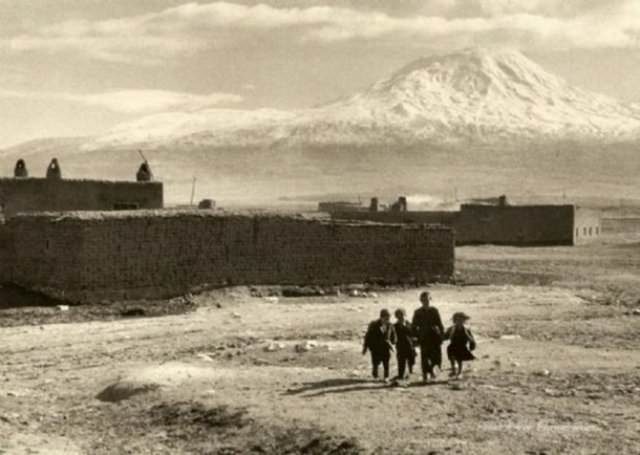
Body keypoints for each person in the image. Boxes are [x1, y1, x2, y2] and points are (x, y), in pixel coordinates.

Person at [412, 291, 444, 383]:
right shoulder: (418, 312)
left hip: (434, 337)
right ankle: (425, 375)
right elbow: (414, 326)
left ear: (430, 299)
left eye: (427, 300)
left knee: (436, 357)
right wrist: (415, 337)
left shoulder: (434, 311)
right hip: (424, 337)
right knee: (425, 357)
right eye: (423, 300)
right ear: (421, 301)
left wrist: (442, 335)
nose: (426, 302)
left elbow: (439, 324)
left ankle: (433, 372)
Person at [363, 308, 396, 382]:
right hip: (376, 347)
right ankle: (375, 376)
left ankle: (386, 377)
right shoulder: (374, 324)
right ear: (381, 317)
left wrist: (393, 342)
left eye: (389, 317)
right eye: (386, 317)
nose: (388, 319)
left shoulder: (390, 325)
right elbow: (368, 336)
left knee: (386, 362)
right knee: (375, 362)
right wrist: (365, 347)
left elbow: (393, 335)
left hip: (386, 347)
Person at [444, 312, 476, 379]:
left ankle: (459, 372)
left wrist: (471, 345)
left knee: (459, 359)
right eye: (457, 320)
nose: (459, 322)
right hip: (453, 345)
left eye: (461, 320)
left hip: (461, 346)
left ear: (464, 321)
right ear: (455, 321)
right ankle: (453, 369)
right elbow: (445, 336)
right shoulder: (451, 328)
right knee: (451, 357)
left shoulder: (466, 329)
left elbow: (471, 339)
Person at [393, 308, 416, 381]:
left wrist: (415, 341)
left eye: (402, 315)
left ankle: (410, 371)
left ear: (404, 315)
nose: (401, 317)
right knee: (401, 361)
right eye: (399, 316)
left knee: (411, 359)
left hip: (410, 345)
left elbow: (413, 333)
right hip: (400, 346)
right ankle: (401, 375)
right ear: (396, 317)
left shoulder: (409, 324)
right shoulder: (395, 326)